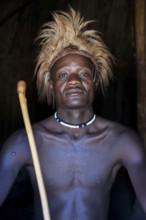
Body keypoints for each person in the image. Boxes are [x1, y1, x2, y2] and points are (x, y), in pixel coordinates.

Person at [0, 7, 146, 220]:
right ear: (51, 84)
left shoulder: (121, 141)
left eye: (84, 73)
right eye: (63, 74)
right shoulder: (25, 143)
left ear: (94, 81)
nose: (74, 81)